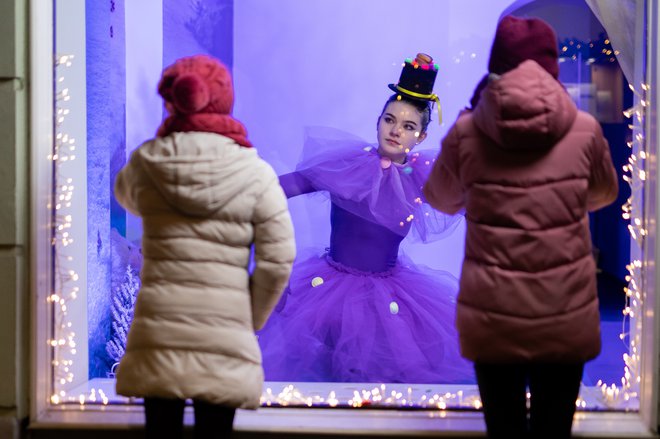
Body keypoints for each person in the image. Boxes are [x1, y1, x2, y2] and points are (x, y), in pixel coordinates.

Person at [424, 16, 619, 438]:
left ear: (495, 68)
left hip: (494, 320)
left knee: (505, 432)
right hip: (564, 315)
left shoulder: (467, 131)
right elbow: (604, 194)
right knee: (553, 432)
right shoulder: (585, 130)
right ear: (553, 69)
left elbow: (440, 198)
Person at [257, 53, 473, 384]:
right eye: (389, 120)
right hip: (326, 291)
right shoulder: (347, 166)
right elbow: (279, 188)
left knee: (377, 383)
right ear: (378, 121)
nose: (396, 130)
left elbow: (475, 202)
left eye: (408, 126)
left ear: (421, 138)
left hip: (390, 298)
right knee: (325, 375)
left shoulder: (424, 178)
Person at [113, 54, 296, 439]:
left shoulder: (147, 163)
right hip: (225, 335)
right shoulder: (256, 173)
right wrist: (250, 317)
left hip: (159, 336)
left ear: (176, 102)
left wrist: (165, 141)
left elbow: (126, 198)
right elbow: (278, 260)